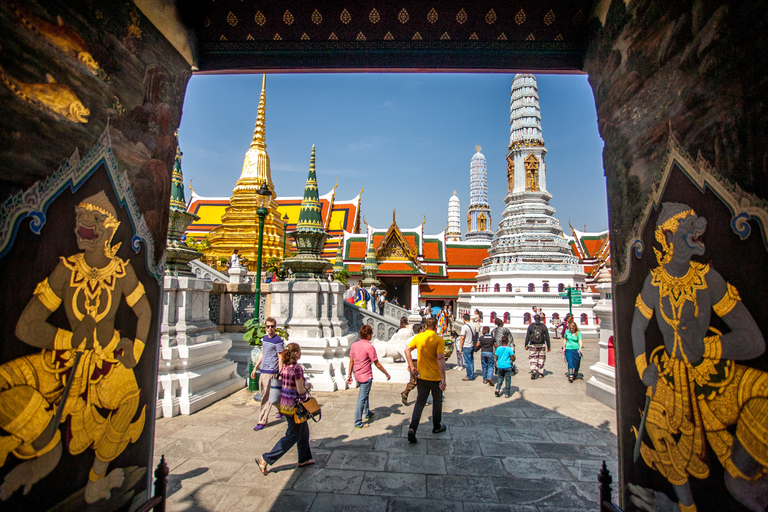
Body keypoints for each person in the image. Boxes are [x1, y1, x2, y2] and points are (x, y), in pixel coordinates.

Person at [258, 343, 314, 475]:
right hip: (296, 406)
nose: (301, 353)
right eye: (299, 351)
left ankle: (304, 458)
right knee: (293, 436)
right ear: (295, 354)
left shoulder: (285, 368)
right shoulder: (297, 369)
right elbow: (300, 390)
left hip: (285, 404)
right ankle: (266, 458)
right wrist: (308, 386)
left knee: (303, 431)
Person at [404, 317, 447, 443]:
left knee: (420, 402)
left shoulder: (419, 337)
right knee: (437, 402)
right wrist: (444, 378)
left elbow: (407, 350)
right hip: (435, 377)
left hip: (422, 376)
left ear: (426, 326)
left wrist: (412, 366)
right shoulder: (439, 339)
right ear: (436, 327)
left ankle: (412, 428)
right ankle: (436, 426)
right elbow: (440, 358)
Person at [347, 325, 390, 428]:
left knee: (364, 394)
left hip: (357, 374)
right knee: (362, 398)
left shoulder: (354, 345)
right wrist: (386, 373)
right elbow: (376, 363)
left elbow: (351, 361)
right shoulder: (369, 346)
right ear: (369, 335)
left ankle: (367, 413)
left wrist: (349, 374)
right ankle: (358, 421)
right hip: (366, 375)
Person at [251, 317, 284, 431]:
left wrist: (280, 373)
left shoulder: (278, 340)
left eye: (272, 326)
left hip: (272, 371)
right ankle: (282, 409)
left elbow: (280, 358)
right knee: (268, 395)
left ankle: (262, 420)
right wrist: (255, 367)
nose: (270, 328)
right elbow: (262, 353)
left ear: (275, 327)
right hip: (263, 369)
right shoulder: (265, 339)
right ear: (265, 327)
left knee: (265, 397)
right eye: (268, 326)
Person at [401, 323, 422, 405]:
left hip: (411, 360)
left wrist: (409, 363)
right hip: (418, 361)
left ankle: (421, 398)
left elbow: (406, 352)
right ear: (420, 330)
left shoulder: (409, 340)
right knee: (416, 380)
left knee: (418, 380)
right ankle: (405, 392)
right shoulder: (420, 339)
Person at [524, 314, 550, 379]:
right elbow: (547, 337)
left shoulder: (531, 326)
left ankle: (534, 370)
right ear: (540, 319)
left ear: (534, 319)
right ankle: (540, 373)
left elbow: (528, 336)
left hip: (533, 344)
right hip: (542, 344)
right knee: (541, 358)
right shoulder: (543, 326)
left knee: (533, 357)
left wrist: (526, 344)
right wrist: (549, 346)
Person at [460, 313, 476, 380]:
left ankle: (469, 375)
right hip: (471, 344)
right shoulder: (473, 325)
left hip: (466, 345)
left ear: (464, 319)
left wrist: (460, 347)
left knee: (467, 362)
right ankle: (471, 374)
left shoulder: (464, 327)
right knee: (471, 361)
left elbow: (462, 337)